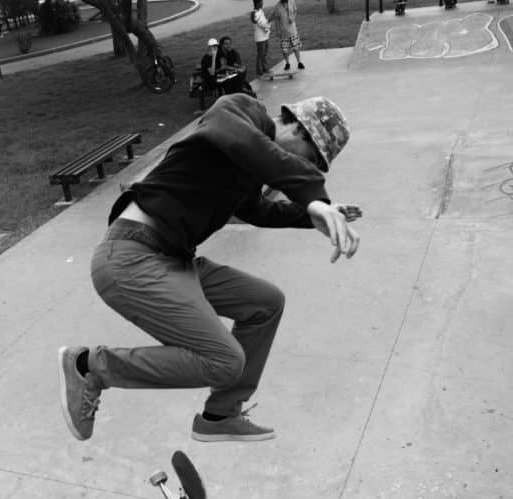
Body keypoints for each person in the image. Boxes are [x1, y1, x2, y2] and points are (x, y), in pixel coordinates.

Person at [57, 94, 361, 443]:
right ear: (297, 129)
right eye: (310, 158)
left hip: (174, 259)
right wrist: (313, 196)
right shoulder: (238, 111)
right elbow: (237, 136)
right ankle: (90, 367)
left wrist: (310, 215)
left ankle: (221, 414)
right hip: (130, 256)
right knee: (223, 360)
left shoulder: (248, 168)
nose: (298, 166)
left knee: (266, 302)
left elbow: (255, 210)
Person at [271, 0, 304, 71]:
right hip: (283, 32)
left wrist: (293, 18)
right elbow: (276, 19)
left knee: (296, 48)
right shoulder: (277, 6)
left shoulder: (292, 2)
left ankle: (299, 62)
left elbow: (295, 12)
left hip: (293, 30)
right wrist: (278, 30)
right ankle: (287, 63)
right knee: (284, 50)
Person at [251, 0, 272, 76]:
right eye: (261, 2)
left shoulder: (260, 11)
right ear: (257, 3)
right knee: (261, 54)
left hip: (265, 36)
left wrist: (268, 24)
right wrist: (268, 25)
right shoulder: (254, 13)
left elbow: (264, 21)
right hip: (260, 37)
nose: (262, 4)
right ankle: (259, 71)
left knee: (265, 53)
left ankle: (265, 69)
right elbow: (262, 24)